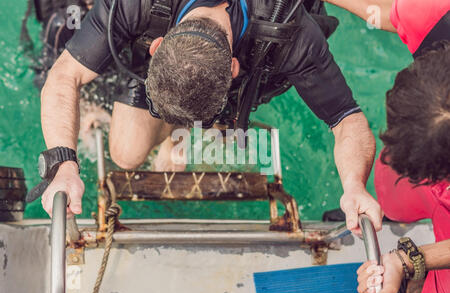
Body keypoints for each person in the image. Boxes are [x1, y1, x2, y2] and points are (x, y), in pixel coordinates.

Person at [37, 0, 383, 238]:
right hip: (179, 66)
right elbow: (64, 75)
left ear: (234, 70)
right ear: (155, 47)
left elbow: (346, 119)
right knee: (126, 154)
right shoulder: (136, 4)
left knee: (178, 158)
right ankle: (172, 125)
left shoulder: (293, 35)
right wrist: (63, 165)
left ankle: (190, 131)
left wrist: (354, 186)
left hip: (234, 79)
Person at [320, 0, 450, 293]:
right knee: (393, 192)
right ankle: (395, 210)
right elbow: (384, 12)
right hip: (432, 146)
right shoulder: (435, 16)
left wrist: (408, 261)